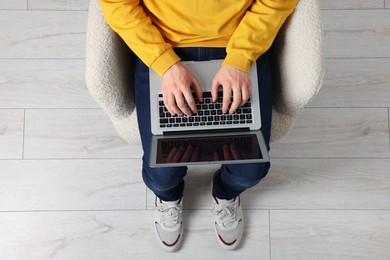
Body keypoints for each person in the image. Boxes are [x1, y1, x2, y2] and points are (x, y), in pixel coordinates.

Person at [100, 0, 297, 252]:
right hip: (164, 44)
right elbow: (117, 5)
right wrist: (165, 64)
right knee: (161, 175)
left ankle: (224, 193)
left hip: (238, 42)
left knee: (251, 169)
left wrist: (239, 59)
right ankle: (169, 197)